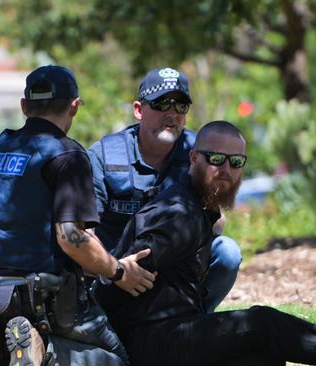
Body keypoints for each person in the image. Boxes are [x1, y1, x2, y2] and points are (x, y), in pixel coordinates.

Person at [95, 120, 316, 366]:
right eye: (216, 159)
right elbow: (125, 267)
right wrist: (120, 275)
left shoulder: (197, 207)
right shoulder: (179, 212)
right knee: (263, 323)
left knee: (265, 352)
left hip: (174, 331)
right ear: (193, 158)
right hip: (148, 343)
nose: (226, 169)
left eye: (236, 161)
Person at [0, 65, 155, 365]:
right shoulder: (66, 154)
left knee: (15, 334)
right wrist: (117, 271)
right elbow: (70, 238)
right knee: (116, 358)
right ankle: (45, 350)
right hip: (37, 294)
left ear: (25, 106)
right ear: (74, 107)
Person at [88, 67, 241, 312]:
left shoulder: (200, 152)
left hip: (178, 269)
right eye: (161, 104)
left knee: (227, 253)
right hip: (117, 271)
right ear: (138, 110)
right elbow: (84, 234)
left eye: (180, 106)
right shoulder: (103, 156)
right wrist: (115, 269)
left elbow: (217, 223)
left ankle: (195, 321)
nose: (172, 114)